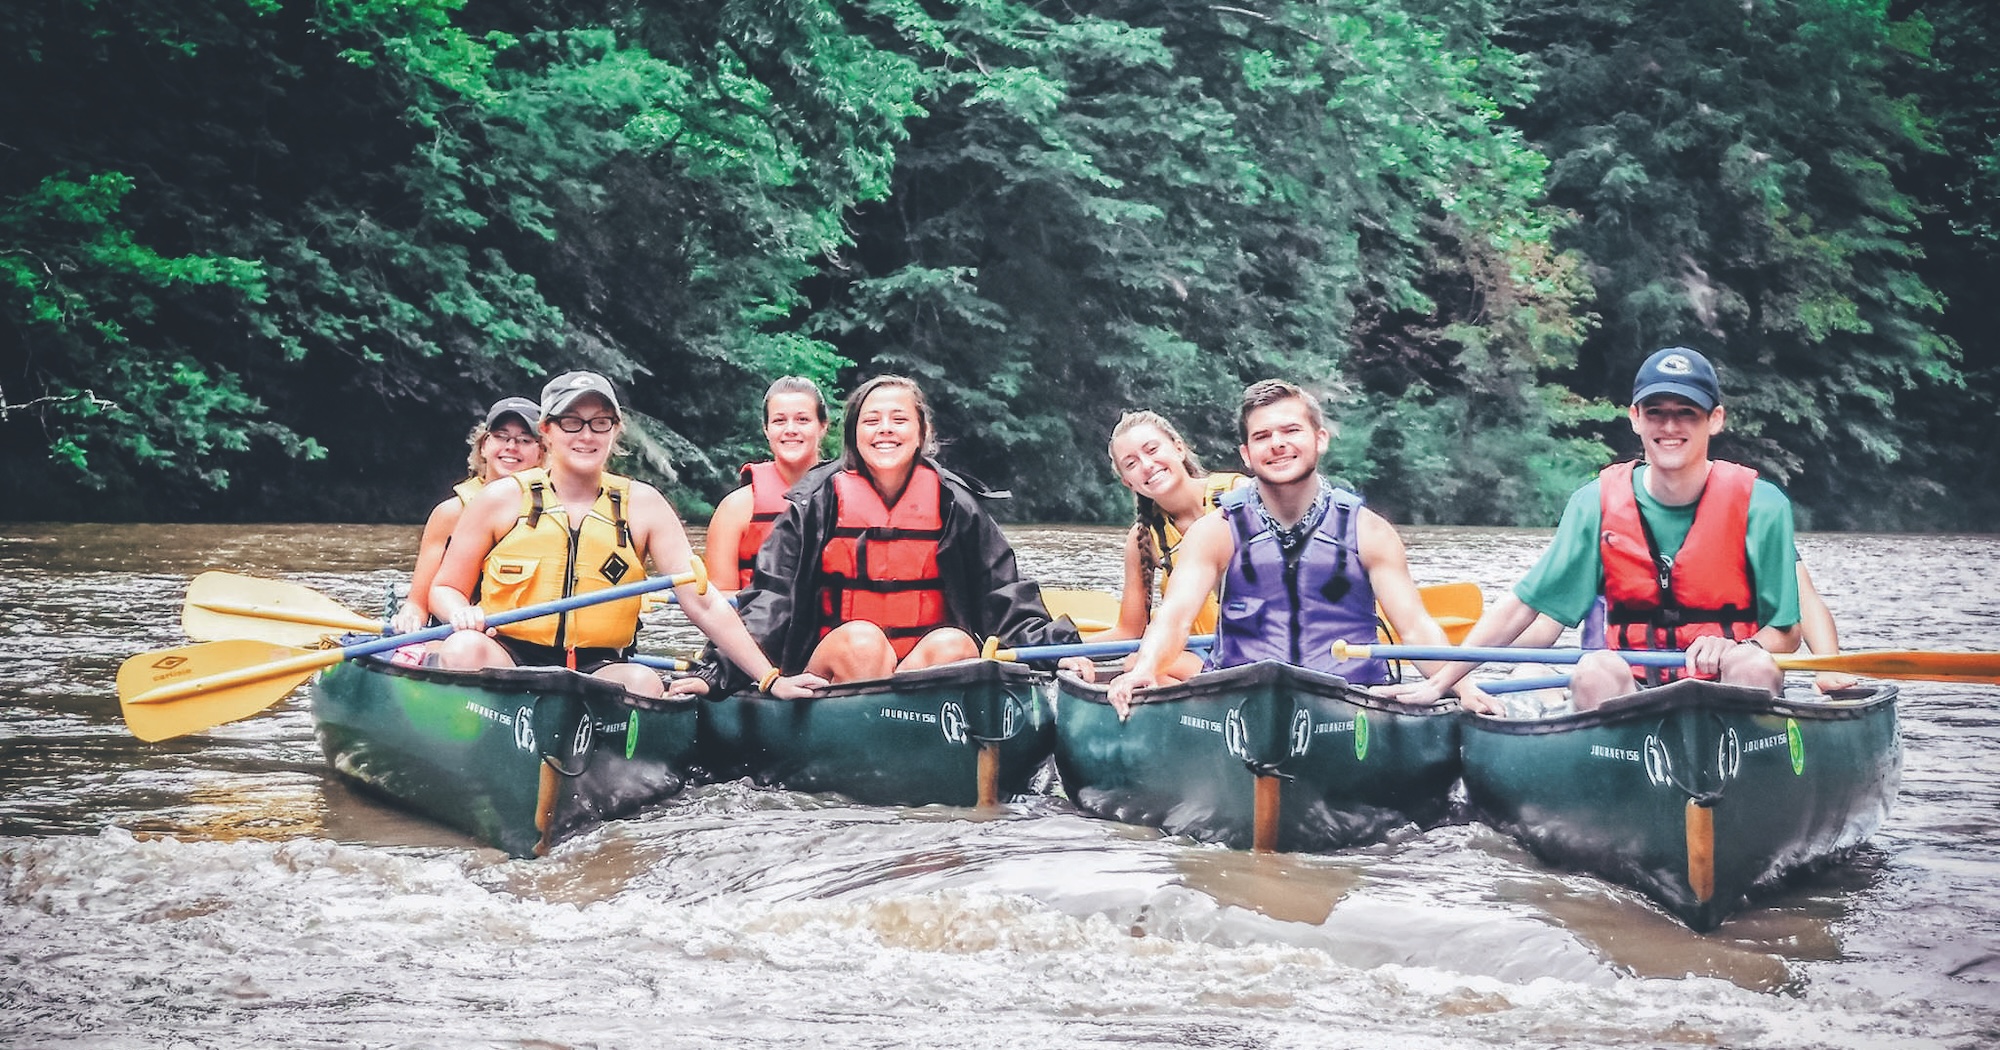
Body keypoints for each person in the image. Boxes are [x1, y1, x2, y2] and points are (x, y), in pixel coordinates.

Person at [1382, 346, 1801, 715]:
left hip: (1724, 687)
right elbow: (1523, 605)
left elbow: (1786, 633)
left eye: (1686, 414)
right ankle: (1614, 779)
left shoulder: (1762, 506)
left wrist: (1739, 647)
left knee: (1755, 665)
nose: (1670, 427)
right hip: (1634, 690)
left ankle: (1742, 779)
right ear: (1636, 418)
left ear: (1715, 420)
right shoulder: (1594, 503)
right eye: (1656, 412)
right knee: (1594, 667)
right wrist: (1442, 683)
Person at [428, 370, 823, 700]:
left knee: (645, 682)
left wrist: (769, 678)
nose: (587, 436)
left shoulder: (644, 505)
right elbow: (444, 588)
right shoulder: (500, 498)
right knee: (463, 647)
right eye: (571, 422)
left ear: (615, 431)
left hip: (598, 665)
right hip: (509, 655)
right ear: (547, 430)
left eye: (600, 423)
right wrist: (460, 612)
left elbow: (704, 604)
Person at [693, 374, 1080, 691]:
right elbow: (772, 599)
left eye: (899, 419)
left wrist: (1057, 651)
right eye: (872, 420)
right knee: (863, 641)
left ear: (921, 431)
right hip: (832, 668)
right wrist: (716, 672)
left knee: (956, 644)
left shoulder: (955, 504)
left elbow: (1004, 593)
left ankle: (908, 734)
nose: (885, 430)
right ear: (853, 433)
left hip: (917, 673)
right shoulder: (816, 502)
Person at [1105, 380, 1450, 716]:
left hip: (1349, 702)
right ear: (1247, 454)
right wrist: (1145, 668)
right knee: (1137, 662)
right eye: (1262, 437)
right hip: (1242, 699)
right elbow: (1175, 617)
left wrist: (1458, 686)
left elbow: (1415, 627)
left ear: (1320, 439)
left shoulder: (1370, 532)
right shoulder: (1214, 532)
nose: (1277, 444)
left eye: (1291, 431)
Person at [1061, 410, 1249, 684]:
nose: (1147, 465)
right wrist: (1066, 650)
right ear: (1128, 482)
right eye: (1132, 463)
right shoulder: (1143, 539)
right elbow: (1129, 631)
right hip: (1199, 655)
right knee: (1135, 663)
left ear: (1178, 448)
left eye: (1152, 450)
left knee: (1140, 664)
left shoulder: (1237, 493)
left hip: (1255, 644)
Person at [390, 396, 545, 636]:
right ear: (484, 445)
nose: (511, 447)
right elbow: (418, 603)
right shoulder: (450, 514)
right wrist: (409, 617)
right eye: (501, 436)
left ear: (541, 452)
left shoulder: (555, 514)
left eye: (524, 440)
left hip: (525, 640)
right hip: (458, 635)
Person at [704, 377, 831, 593]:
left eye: (802, 420)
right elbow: (719, 601)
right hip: (757, 624)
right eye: (779, 421)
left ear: (823, 426)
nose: (790, 429)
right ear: (766, 430)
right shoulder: (735, 508)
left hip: (835, 627)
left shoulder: (846, 499)